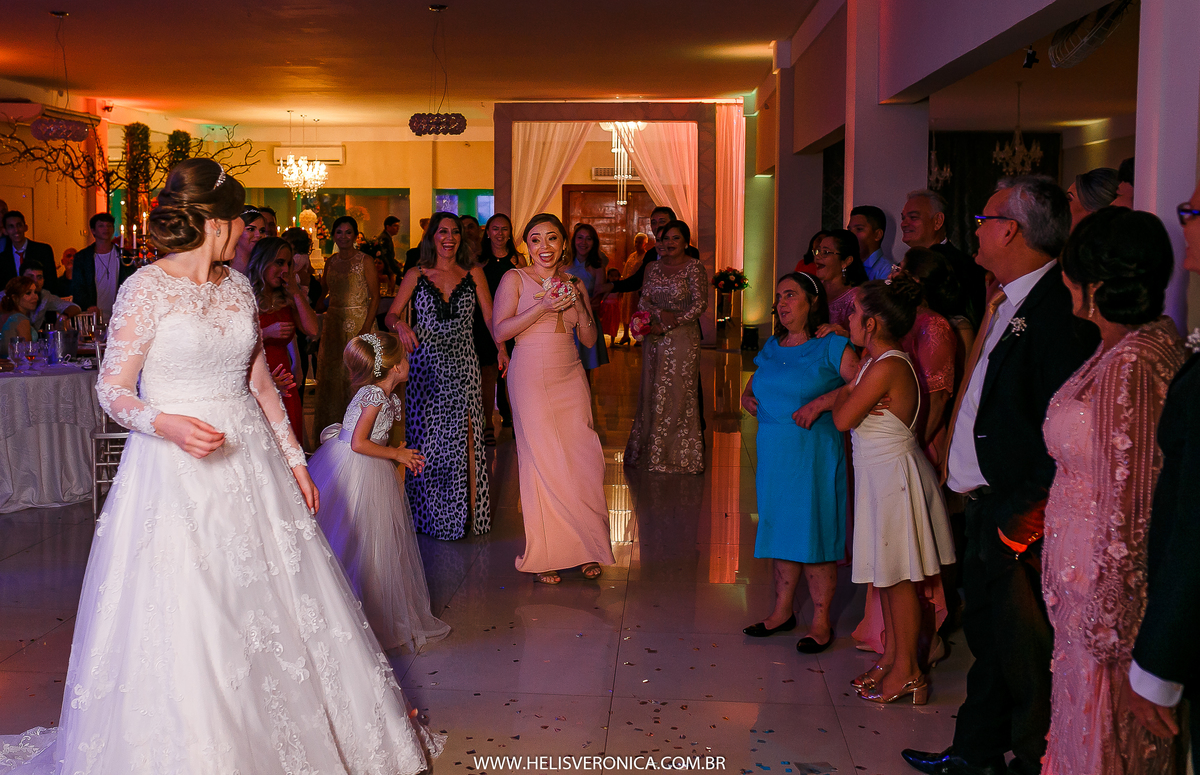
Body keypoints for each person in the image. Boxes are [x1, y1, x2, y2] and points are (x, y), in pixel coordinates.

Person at [0, 158, 444, 773]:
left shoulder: (236, 287)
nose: (249, 233)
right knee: (193, 602)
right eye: (242, 222)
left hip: (251, 464)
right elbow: (112, 388)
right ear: (216, 220)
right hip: (174, 470)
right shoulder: (145, 288)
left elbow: (260, 384)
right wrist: (167, 423)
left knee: (275, 599)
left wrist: (295, 462)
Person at [902, 176, 1100, 775]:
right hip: (986, 502)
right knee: (990, 637)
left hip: (1019, 513)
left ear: (1010, 229)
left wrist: (1022, 521)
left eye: (985, 220)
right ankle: (975, 751)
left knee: (1023, 648)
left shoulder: (1053, 310)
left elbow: (1056, 423)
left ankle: (1034, 756)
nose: (978, 230)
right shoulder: (1007, 296)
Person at [1041, 208, 1186, 774]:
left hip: (1108, 609)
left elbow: (1137, 512)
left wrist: (1123, 646)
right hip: (1080, 593)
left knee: (1108, 748)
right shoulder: (1113, 350)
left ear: (1096, 284)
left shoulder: (1136, 363)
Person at [833, 276, 956, 705]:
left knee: (901, 581)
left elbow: (843, 418)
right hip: (878, 477)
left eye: (854, 312)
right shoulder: (874, 362)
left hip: (894, 480)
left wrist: (847, 396)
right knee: (887, 579)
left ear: (872, 324)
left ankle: (909, 671)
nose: (847, 316)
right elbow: (847, 403)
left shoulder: (888, 365)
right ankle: (893, 658)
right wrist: (849, 394)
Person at [308, 332, 451, 653]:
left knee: (373, 542)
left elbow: (378, 438)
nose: (409, 361)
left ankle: (368, 614)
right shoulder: (374, 396)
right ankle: (344, 614)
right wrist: (398, 455)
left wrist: (397, 451)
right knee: (357, 538)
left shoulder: (387, 396)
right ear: (395, 367)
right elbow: (359, 442)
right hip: (356, 467)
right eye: (405, 357)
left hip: (370, 466)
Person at [492, 213, 615, 584]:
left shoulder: (574, 281)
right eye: (535, 240)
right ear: (526, 246)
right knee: (542, 460)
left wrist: (579, 306)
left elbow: (591, 340)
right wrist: (542, 307)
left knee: (584, 459)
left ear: (563, 244)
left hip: (570, 372)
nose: (544, 247)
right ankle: (546, 552)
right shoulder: (514, 279)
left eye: (551, 239)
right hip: (529, 372)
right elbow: (500, 329)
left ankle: (588, 548)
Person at [740, 273, 858, 652]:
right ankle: (782, 611)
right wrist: (747, 392)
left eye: (791, 295)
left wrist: (822, 403)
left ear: (812, 301)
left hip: (812, 453)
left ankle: (821, 622)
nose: (782, 303)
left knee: (815, 532)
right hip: (775, 453)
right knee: (780, 529)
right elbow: (761, 377)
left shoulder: (832, 345)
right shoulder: (774, 345)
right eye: (778, 296)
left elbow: (864, 382)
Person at [1125, 180, 1200, 775]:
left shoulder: (1142, 355)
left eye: (1193, 211)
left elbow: (1192, 519)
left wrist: (1159, 660)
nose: (1186, 224)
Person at [385, 212, 505, 540]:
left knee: (467, 439)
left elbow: (492, 316)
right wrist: (401, 325)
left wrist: (503, 348)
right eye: (442, 232)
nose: (449, 237)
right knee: (428, 442)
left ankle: (465, 517)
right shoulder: (416, 274)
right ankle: (428, 517)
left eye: (454, 232)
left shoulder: (474, 273)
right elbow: (391, 313)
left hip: (465, 364)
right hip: (426, 368)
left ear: (461, 238)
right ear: (432, 237)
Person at [625, 220, 707, 475]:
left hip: (683, 339)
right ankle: (651, 452)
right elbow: (644, 298)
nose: (667, 244)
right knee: (652, 392)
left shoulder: (694, 268)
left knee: (679, 392)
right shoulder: (651, 267)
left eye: (674, 238)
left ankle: (679, 456)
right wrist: (659, 315)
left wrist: (672, 322)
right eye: (662, 239)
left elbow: (699, 304)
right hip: (654, 337)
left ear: (685, 242)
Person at [248, 237, 320, 447]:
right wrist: (265, 333)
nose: (285, 269)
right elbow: (229, 344)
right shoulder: (246, 295)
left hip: (285, 379)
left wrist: (296, 293)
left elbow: (313, 329)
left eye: (289, 264)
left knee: (289, 445)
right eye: (279, 263)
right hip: (258, 377)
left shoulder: (286, 298)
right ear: (263, 262)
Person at [314, 216, 380, 436]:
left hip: (359, 323)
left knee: (356, 378)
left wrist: (365, 328)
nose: (343, 236)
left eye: (348, 232)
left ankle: (359, 433)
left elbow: (375, 297)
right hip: (334, 326)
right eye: (339, 232)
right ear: (334, 235)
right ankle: (332, 433)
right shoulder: (331, 261)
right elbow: (324, 290)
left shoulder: (365, 260)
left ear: (355, 235)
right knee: (333, 379)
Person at [900, 189, 986, 327]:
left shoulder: (958, 264)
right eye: (903, 218)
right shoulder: (907, 264)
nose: (904, 224)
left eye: (913, 217)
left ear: (938, 221)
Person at [478, 213, 522, 436]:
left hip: (512, 323)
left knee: (512, 375)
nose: (500, 234)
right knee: (487, 376)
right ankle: (486, 424)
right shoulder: (479, 261)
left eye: (504, 229)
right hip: (484, 324)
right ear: (487, 232)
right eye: (495, 229)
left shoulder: (518, 261)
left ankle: (515, 421)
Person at [565, 222, 611, 371]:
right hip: (565, 321)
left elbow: (597, 301)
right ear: (574, 240)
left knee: (584, 369)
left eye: (588, 238)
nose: (583, 242)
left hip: (587, 319)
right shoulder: (562, 265)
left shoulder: (598, 268)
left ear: (594, 242)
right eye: (580, 238)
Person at [72, 212, 136, 319]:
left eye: (109, 225)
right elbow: (78, 286)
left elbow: (132, 281)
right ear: (93, 230)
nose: (106, 229)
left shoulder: (124, 255)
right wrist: (88, 305)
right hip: (93, 314)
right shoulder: (83, 257)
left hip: (120, 312)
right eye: (101, 226)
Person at [811, 229, 868, 333]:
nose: (817, 256)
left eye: (826, 252)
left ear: (846, 261)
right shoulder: (814, 290)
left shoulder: (856, 298)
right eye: (818, 251)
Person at [4, 264, 80, 330]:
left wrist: (63, 316)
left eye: (39, 277)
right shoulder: (6, 295)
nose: (35, 281)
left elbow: (75, 307)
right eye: (30, 277)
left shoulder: (45, 295)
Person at [1, 210, 59, 294]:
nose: (16, 230)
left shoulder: (43, 250)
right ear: (5, 231)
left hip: (41, 300)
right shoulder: (3, 258)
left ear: (25, 227)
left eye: (19, 225)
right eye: (11, 227)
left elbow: (51, 281)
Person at [615, 232, 649, 345]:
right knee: (626, 311)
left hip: (639, 290)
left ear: (645, 244)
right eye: (636, 242)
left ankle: (639, 337)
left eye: (640, 242)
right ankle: (625, 335)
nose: (637, 244)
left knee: (638, 314)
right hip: (628, 289)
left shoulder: (646, 257)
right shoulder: (632, 256)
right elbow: (625, 271)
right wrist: (621, 286)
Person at [848, 205, 891, 280]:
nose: (851, 235)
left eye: (859, 229)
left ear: (877, 235)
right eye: (849, 230)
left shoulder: (887, 271)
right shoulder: (848, 265)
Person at [0, 276, 38, 357]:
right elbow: (27, 354)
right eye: (28, 293)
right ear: (14, 298)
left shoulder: (4, 315)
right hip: (16, 367)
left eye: (35, 292)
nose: (35, 297)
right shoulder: (21, 319)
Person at [230, 206, 266, 275]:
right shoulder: (220, 267)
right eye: (251, 229)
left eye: (262, 231)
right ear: (236, 231)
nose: (258, 235)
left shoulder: (265, 267)